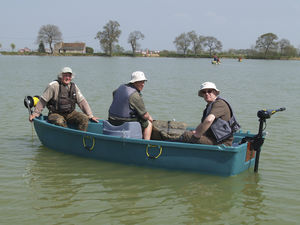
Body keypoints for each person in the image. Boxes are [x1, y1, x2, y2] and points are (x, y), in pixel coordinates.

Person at [29, 67, 99, 131]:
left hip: (71, 113)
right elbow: (43, 101)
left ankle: (80, 137)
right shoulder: (53, 86)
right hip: (55, 114)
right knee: (60, 121)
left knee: (84, 118)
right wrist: (35, 114)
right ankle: (67, 137)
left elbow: (82, 102)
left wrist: (90, 116)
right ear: (61, 76)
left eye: (69, 76)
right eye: (65, 75)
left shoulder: (73, 87)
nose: (67, 78)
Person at [180, 81, 240, 146]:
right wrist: (196, 131)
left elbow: (209, 120)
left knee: (186, 135)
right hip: (214, 138)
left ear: (215, 92)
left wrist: (197, 135)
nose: (206, 94)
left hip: (222, 143)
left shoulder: (219, 103)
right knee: (190, 133)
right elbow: (203, 124)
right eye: (204, 92)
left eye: (209, 91)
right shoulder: (210, 106)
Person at [108, 71, 153, 140]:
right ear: (134, 82)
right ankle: (146, 144)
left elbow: (114, 93)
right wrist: (150, 118)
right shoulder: (135, 95)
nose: (143, 84)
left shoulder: (121, 87)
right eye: (140, 82)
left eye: (144, 82)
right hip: (124, 122)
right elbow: (144, 115)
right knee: (148, 124)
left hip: (111, 119)